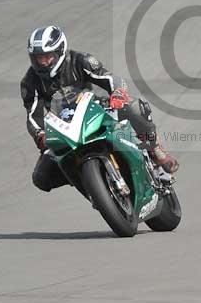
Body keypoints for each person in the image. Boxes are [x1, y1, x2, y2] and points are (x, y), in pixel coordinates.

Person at [20, 25, 179, 193]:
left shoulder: (80, 60)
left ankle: (154, 149)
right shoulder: (30, 82)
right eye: (38, 58)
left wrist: (117, 93)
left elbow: (110, 79)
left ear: (59, 51)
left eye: (47, 56)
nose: (43, 62)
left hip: (95, 109)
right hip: (63, 127)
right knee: (41, 178)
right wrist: (40, 134)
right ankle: (87, 181)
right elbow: (32, 115)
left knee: (133, 107)